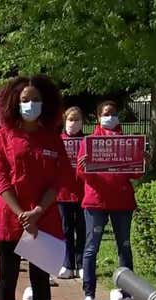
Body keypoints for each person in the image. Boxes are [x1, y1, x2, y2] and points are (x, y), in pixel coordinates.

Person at [0, 75, 71, 300]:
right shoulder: (2, 136)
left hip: (42, 219)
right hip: (10, 218)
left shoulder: (52, 138)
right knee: (7, 280)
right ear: (14, 103)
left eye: (35, 100)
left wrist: (38, 211)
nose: (30, 104)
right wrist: (21, 212)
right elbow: (0, 178)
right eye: (25, 100)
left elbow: (58, 179)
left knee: (40, 282)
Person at [77, 100, 143, 300]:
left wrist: (143, 162)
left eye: (114, 113)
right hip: (96, 201)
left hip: (122, 202)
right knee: (91, 247)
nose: (110, 117)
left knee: (124, 247)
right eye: (106, 113)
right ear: (98, 117)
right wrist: (84, 167)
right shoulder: (89, 142)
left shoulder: (127, 142)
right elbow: (81, 175)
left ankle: (126, 294)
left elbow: (136, 173)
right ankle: (89, 294)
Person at [57, 107, 87, 279]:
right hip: (63, 192)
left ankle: (81, 263)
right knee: (66, 229)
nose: (73, 123)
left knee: (82, 228)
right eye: (70, 119)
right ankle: (67, 263)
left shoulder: (87, 142)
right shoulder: (58, 141)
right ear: (64, 120)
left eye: (77, 120)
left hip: (83, 192)